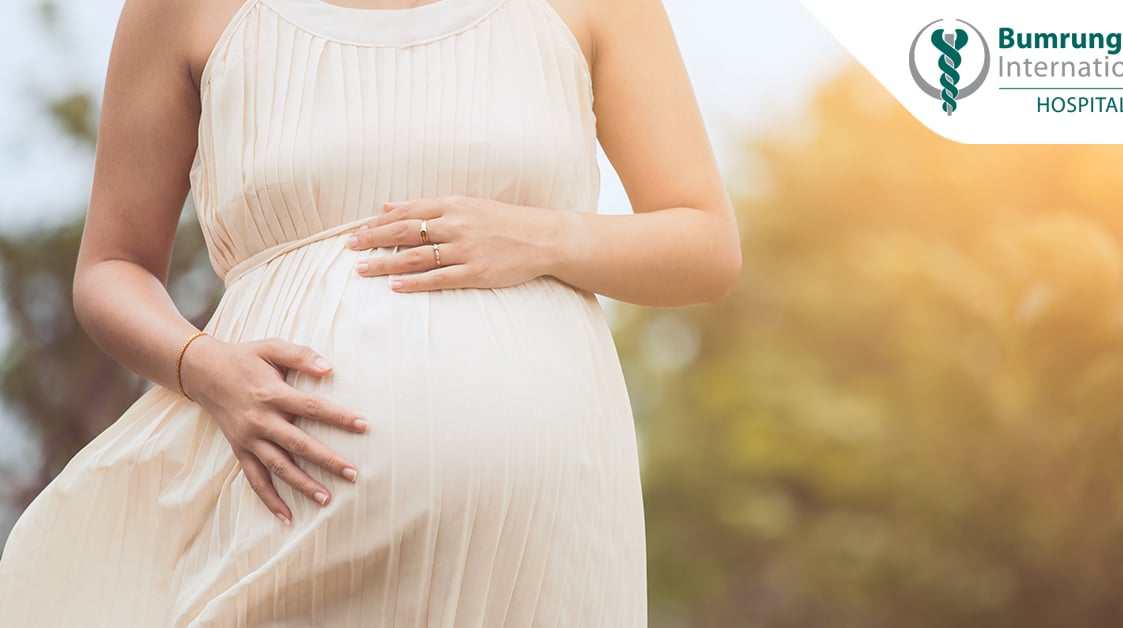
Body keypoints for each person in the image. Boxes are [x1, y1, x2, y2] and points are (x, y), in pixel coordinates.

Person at [0, 0, 741, 624]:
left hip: (541, 541)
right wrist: (204, 368)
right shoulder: (185, 9)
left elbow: (708, 245)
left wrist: (546, 236)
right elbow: (111, 268)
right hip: (284, 504)